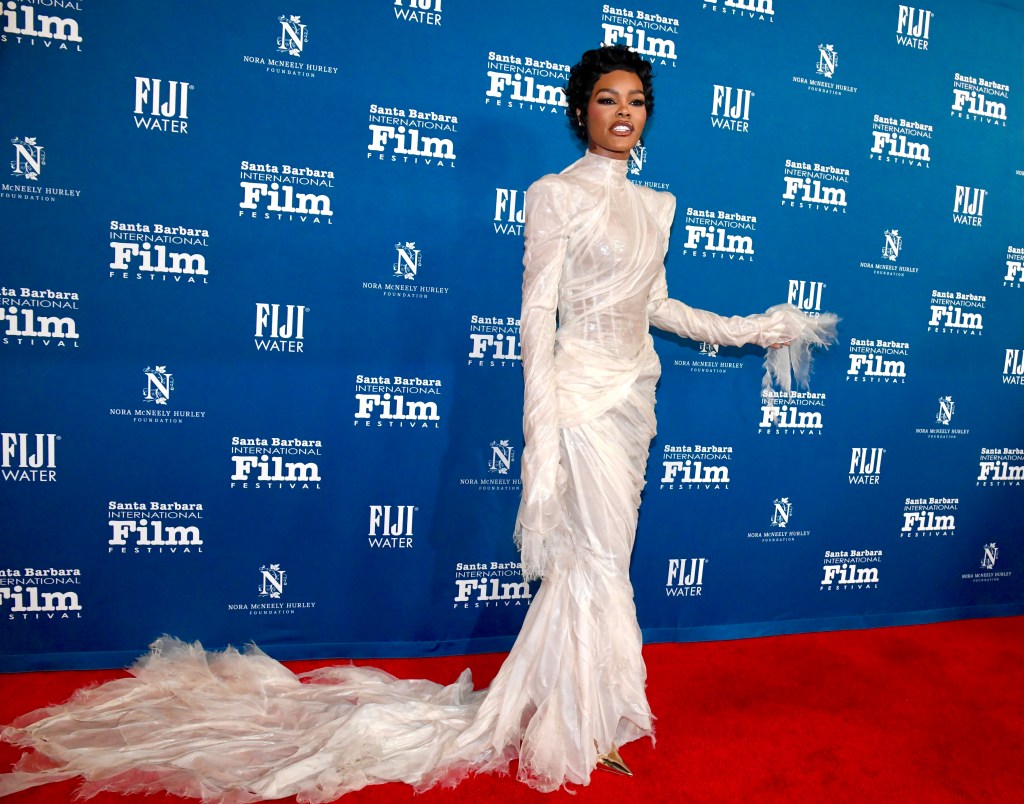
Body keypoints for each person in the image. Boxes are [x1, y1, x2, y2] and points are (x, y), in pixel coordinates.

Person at [0, 46, 835, 801]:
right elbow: (534, 319)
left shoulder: (658, 206)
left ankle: (581, 709)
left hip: (632, 401)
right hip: (577, 399)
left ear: (648, 114)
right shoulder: (554, 196)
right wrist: (540, 439)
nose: (624, 112)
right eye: (608, 98)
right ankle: (579, 724)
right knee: (589, 560)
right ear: (581, 110)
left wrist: (753, 329)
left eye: (637, 100)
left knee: (605, 559)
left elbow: (657, 305)